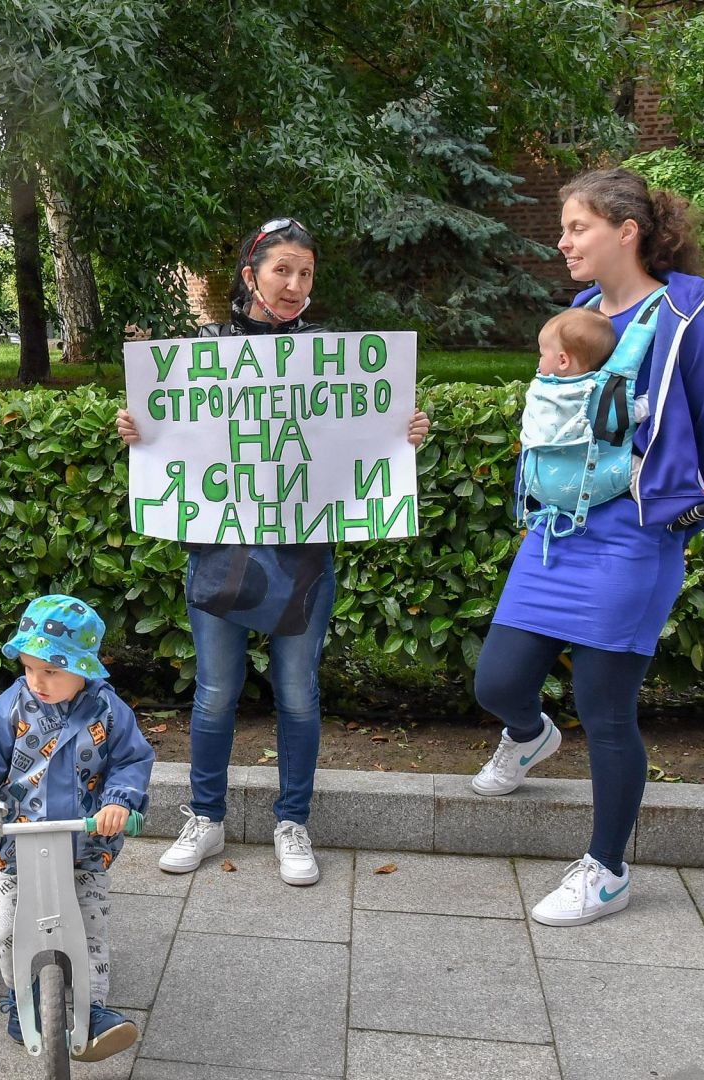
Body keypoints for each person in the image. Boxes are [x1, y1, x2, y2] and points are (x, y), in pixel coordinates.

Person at [114, 219, 431, 886]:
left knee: (297, 694)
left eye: (305, 273)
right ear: (250, 273)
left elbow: (356, 432)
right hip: (222, 549)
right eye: (282, 270)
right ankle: (205, 817)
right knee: (214, 694)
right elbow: (173, 433)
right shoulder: (204, 350)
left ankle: (294, 823)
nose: (294, 285)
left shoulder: (331, 356)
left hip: (302, 554)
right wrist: (139, 428)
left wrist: (400, 431)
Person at [467, 169, 704, 927]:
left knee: (607, 710)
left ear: (627, 231)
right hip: (555, 540)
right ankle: (528, 738)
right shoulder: (583, 314)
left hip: (630, 545)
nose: (561, 242)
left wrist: (672, 525)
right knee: (497, 682)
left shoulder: (687, 321)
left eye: (576, 227)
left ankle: (608, 869)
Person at [0, 594, 154, 1062]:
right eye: (31, 668)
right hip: (20, 846)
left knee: (88, 930)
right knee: (8, 931)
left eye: (52, 671)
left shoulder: (109, 712)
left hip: (85, 844)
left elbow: (132, 760)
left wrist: (120, 802)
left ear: (84, 669)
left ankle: (92, 1009)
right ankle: (21, 1000)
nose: (38, 681)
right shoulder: (11, 708)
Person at [534, 307, 617, 378]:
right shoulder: (590, 390)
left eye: (542, 355)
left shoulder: (555, 394)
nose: (539, 359)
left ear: (563, 361)